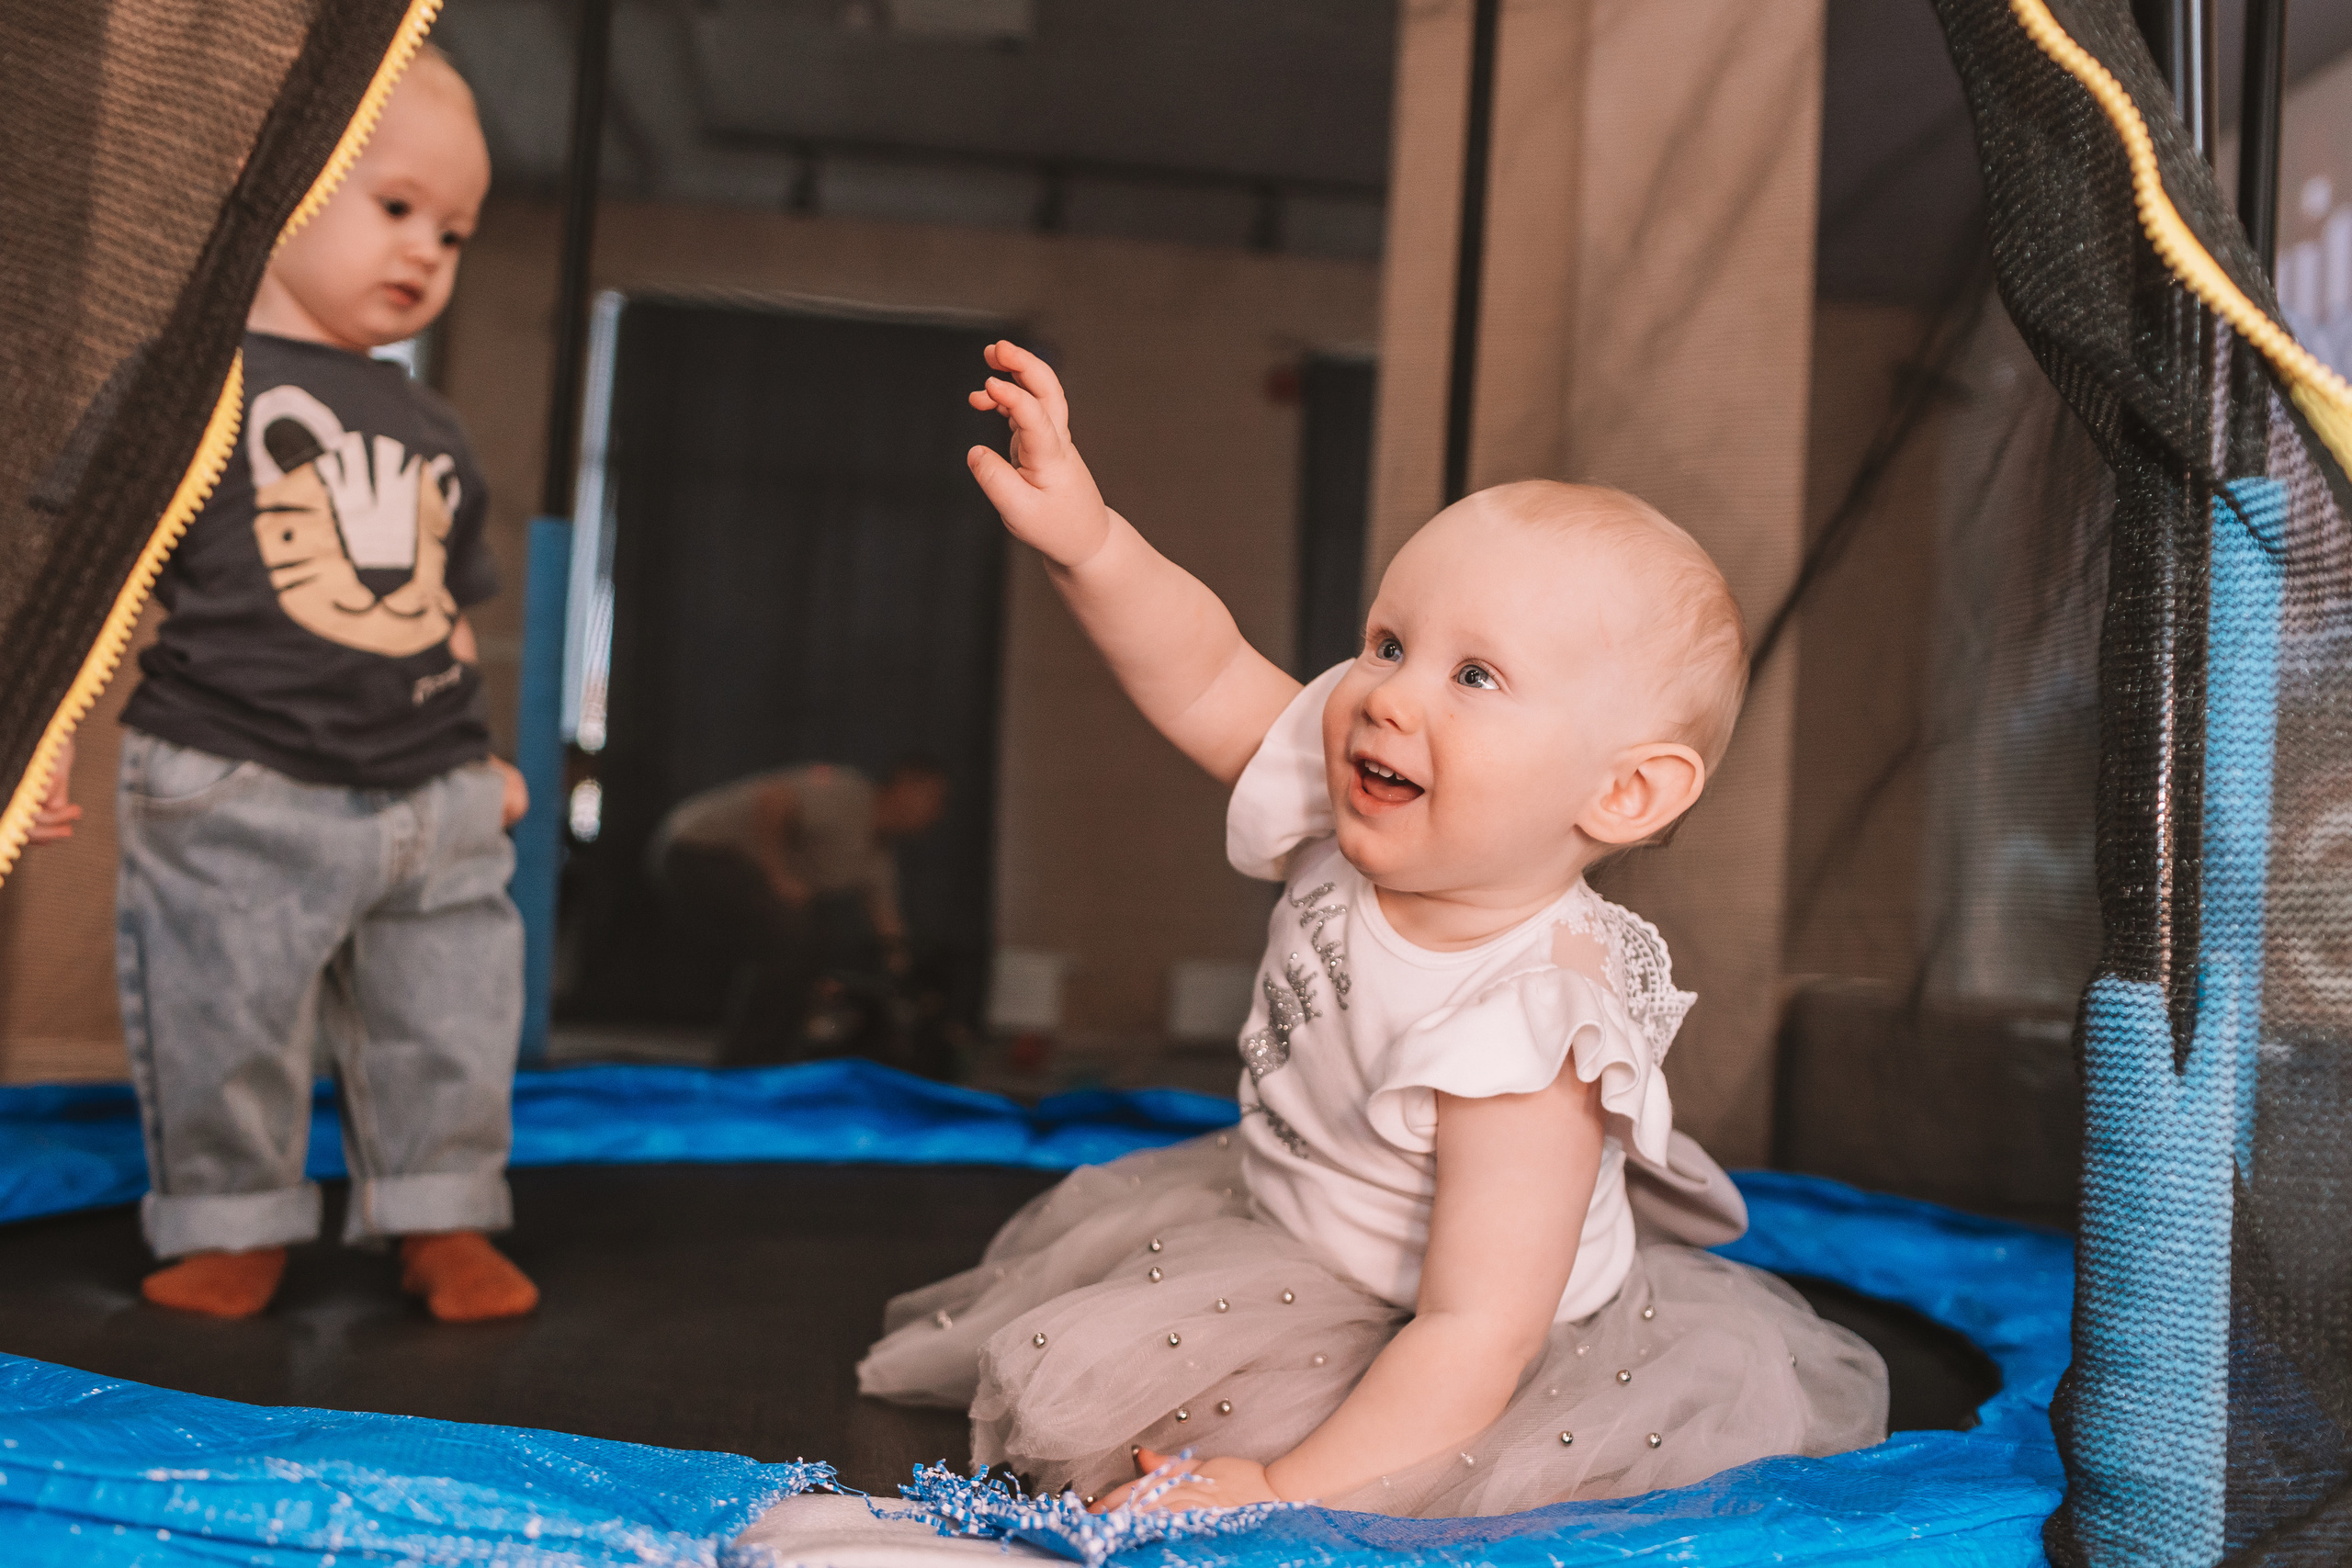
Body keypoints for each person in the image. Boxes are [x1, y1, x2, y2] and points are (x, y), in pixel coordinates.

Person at [855, 344, 1887, 1516]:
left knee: (1295, 1443)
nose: (1389, 694)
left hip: (1443, 1336)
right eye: (1388, 644)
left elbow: (1476, 1332)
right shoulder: (1345, 814)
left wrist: (1282, 1486)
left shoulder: (1527, 1027)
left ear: (1622, 796)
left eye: (1476, 676)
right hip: (1286, 1221)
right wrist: (1090, 544)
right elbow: (1202, 673)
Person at [105, 47, 537, 1323]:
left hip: (428, 792)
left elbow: (440, 619)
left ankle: (442, 1216)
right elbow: (101, 582)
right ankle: (232, 1222)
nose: (423, 252)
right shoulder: (190, 386)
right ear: (275, 184)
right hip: (239, 767)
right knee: (223, 1006)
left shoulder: (435, 425)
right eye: (395, 207)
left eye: (451, 233)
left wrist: (480, 761)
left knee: (451, 1015)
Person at [649, 759, 948, 1065]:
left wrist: (908, 981)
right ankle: (741, 1064)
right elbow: (773, 798)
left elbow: (888, 924)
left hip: (730, 865)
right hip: (694, 847)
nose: (937, 813)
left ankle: (774, 1058)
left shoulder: (877, 856)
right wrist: (778, 874)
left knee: (811, 941)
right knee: (792, 936)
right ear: (905, 787)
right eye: (933, 799)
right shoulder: (849, 793)